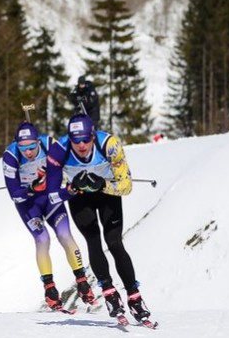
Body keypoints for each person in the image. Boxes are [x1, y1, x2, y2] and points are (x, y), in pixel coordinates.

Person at [45, 113, 153, 323]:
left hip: (107, 195)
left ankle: (134, 297)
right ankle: (109, 291)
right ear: (69, 139)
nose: (82, 145)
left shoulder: (110, 144)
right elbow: (52, 195)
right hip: (80, 198)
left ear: (93, 136)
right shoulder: (59, 150)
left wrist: (102, 185)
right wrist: (71, 189)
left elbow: (126, 186)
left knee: (114, 242)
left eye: (86, 139)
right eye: (76, 141)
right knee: (93, 241)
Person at [2, 121, 95, 310]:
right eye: (23, 148)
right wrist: (31, 188)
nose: (28, 152)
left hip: (50, 199)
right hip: (29, 204)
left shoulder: (50, 144)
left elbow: (61, 176)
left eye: (31, 147)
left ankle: (82, 280)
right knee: (42, 239)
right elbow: (14, 195)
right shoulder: (10, 156)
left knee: (64, 235)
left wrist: (70, 187)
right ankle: (49, 288)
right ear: (16, 145)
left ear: (38, 142)